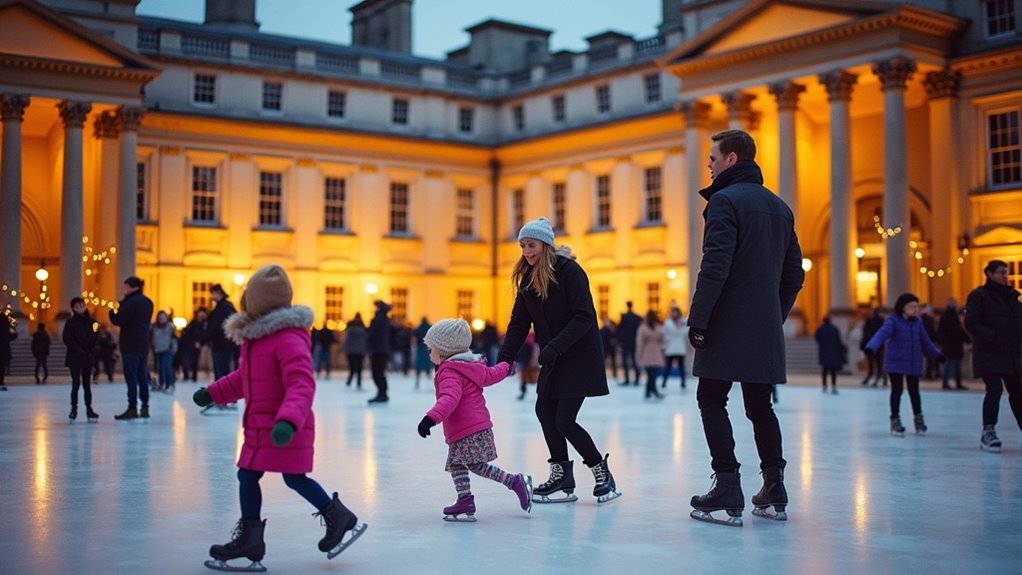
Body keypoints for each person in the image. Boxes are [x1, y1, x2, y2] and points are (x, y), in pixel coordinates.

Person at [192, 264, 367, 571]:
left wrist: (288, 421)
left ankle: (332, 517)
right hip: (262, 426)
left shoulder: (288, 337)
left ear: (259, 301)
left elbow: (301, 383)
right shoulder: (256, 337)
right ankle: (260, 536)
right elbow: (244, 378)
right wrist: (213, 393)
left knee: (287, 477)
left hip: (285, 426)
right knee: (256, 475)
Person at [687, 129, 803, 526]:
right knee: (760, 406)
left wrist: (699, 320)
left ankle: (728, 485)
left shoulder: (724, 201)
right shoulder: (780, 207)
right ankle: (775, 487)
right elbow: (794, 276)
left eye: (713, 158)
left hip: (725, 322)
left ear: (732, 159)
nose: (709, 164)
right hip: (763, 326)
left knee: (711, 398)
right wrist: (775, 313)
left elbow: (715, 265)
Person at [497, 217, 621, 505]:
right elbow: (518, 323)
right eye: (523, 246)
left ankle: (602, 473)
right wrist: (505, 358)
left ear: (546, 245)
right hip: (555, 357)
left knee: (565, 419)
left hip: (579, 355)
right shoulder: (527, 279)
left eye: (532, 245)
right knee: (544, 410)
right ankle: (562, 475)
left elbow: (584, 316)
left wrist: (554, 346)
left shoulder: (569, 272)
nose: (527, 251)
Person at [416, 318, 531, 522]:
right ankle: (465, 500)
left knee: (475, 465)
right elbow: (492, 374)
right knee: (458, 464)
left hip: (468, 428)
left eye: (431, 348)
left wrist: (430, 418)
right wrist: (507, 367)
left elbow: (449, 399)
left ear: (443, 349)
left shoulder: (449, 372)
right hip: (471, 427)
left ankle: (514, 482)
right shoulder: (469, 366)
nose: (429, 352)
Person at [864, 292, 943, 437]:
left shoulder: (918, 322)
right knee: (897, 391)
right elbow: (881, 334)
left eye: (916, 307)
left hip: (913, 362)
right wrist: (871, 347)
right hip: (895, 362)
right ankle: (895, 420)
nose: (915, 310)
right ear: (902, 308)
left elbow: (925, 342)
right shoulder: (893, 321)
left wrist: (937, 355)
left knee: (915, 393)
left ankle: (918, 419)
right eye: (911, 307)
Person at [964, 260, 1022, 454]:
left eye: (1006, 272)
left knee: (1018, 391)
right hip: (989, 352)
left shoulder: (1012, 298)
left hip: (1011, 354)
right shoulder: (979, 296)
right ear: (988, 273)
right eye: (1000, 272)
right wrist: (992, 337)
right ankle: (988, 430)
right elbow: (971, 322)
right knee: (995, 388)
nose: (1005, 276)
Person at [109, 276, 154, 420]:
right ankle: (145, 407)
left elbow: (118, 320)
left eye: (126, 287)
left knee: (131, 377)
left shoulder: (130, 302)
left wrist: (113, 310)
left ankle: (132, 407)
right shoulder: (148, 302)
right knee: (142, 376)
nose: (124, 290)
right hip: (143, 344)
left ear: (133, 287)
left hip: (129, 344)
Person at [64, 297, 99, 422]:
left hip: (87, 357)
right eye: (77, 306)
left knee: (87, 385)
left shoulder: (93, 322)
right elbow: (67, 339)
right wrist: (80, 351)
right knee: (76, 384)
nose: (81, 308)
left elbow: (96, 336)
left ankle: (89, 410)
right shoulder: (70, 323)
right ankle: (74, 409)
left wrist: (89, 351)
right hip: (75, 357)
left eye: (82, 305)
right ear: (73, 308)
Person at [207, 284, 239, 381]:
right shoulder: (221, 307)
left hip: (223, 344)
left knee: (221, 372)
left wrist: (207, 337)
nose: (212, 297)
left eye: (213, 294)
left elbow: (219, 326)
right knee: (221, 371)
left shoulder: (225, 307)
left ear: (219, 293)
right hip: (221, 344)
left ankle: (220, 394)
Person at [937, 299, 970, 390]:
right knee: (952, 365)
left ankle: (951, 383)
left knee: (952, 365)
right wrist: (968, 340)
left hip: (950, 346)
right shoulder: (952, 317)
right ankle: (949, 383)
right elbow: (958, 331)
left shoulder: (946, 317)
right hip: (952, 346)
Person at [367, 300, 393, 404]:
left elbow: (371, 334)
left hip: (377, 350)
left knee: (377, 373)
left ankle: (382, 393)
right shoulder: (386, 319)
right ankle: (382, 393)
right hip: (383, 349)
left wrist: (369, 344)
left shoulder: (378, 319)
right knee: (380, 372)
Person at [636, 310, 665, 400]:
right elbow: (663, 340)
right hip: (656, 353)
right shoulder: (659, 328)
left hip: (647, 354)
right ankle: (651, 391)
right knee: (653, 375)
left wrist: (638, 356)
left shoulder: (643, 328)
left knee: (650, 375)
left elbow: (639, 343)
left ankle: (649, 392)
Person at [814, 316, 845, 395]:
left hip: (824, 352)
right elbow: (839, 341)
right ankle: (834, 386)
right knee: (833, 372)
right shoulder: (834, 329)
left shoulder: (821, 329)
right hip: (833, 353)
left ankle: (825, 386)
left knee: (824, 371)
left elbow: (817, 338)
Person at [661, 306, 689, 390]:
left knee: (681, 367)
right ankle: (664, 382)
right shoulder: (668, 322)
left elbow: (686, 333)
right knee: (668, 366)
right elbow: (664, 334)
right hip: (670, 347)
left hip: (680, 347)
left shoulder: (683, 322)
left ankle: (683, 382)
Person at [151, 310, 177, 392]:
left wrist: (174, 348)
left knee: (167, 367)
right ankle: (161, 384)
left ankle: (170, 384)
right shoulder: (154, 327)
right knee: (160, 369)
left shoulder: (170, 327)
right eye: (160, 317)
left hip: (168, 350)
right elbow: (151, 338)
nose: (162, 319)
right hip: (157, 350)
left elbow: (174, 338)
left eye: (163, 317)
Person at [860, 308, 887, 387]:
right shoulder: (882, 322)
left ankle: (872, 377)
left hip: (870, 344)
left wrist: (863, 345)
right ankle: (880, 378)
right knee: (879, 362)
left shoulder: (869, 321)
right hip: (879, 345)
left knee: (872, 362)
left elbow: (865, 334)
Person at [180, 307, 208, 382]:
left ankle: (194, 376)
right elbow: (187, 330)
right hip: (188, 343)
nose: (201, 314)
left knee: (194, 360)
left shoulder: (205, 323)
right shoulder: (194, 321)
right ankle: (186, 375)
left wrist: (201, 342)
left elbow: (205, 334)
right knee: (186, 359)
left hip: (196, 344)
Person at [617, 301, 641, 386]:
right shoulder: (637, 318)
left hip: (625, 341)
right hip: (633, 341)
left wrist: (618, 339)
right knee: (634, 360)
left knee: (626, 361)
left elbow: (619, 329)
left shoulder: (624, 317)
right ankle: (637, 378)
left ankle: (627, 379)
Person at [343, 313, 367, 390]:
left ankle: (349, 380)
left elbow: (347, 340)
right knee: (359, 367)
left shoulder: (350, 330)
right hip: (360, 350)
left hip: (351, 350)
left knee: (352, 366)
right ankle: (359, 381)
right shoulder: (363, 329)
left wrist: (345, 348)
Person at [515, 332, 539, 400]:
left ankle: (524, 393)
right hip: (526, 362)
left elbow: (535, 352)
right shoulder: (529, 340)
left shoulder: (531, 340)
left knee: (532, 379)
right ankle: (523, 393)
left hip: (528, 362)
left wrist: (533, 361)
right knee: (524, 379)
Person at [412, 316, 433, 390]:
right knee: (427, 365)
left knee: (419, 366)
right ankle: (429, 382)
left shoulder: (419, 328)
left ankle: (417, 381)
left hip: (420, 348)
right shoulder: (429, 327)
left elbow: (414, 333)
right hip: (427, 348)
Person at [0, 315, 14, 391]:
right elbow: (14, 336)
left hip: (3, 350)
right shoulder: (7, 328)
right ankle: (1, 382)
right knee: (2, 368)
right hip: (3, 351)